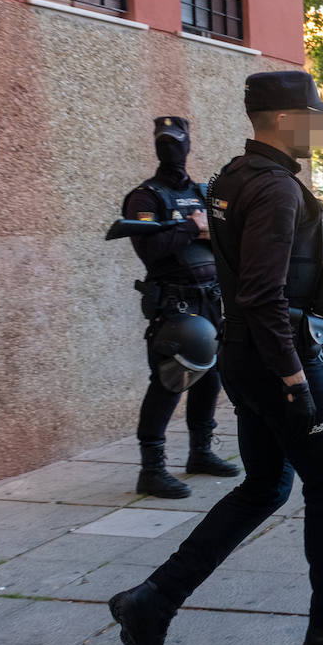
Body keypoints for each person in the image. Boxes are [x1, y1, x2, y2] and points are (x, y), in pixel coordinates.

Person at [108, 71, 323, 645]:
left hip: (244, 354)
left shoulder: (232, 176)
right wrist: (295, 378)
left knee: (265, 486)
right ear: (282, 120)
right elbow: (262, 294)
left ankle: (152, 602)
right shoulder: (275, 188)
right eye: (313, 116)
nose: (321, 128)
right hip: (278, 358)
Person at [123, 117, 240, 498]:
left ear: (188, 145)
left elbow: (227, 240)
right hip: (174, 304)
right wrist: (192, 227)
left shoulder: (203, 192)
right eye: (164, 143)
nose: (171, 149)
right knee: (169, 382)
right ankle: (151, 469)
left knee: (210, 377)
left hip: (211, 299)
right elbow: (152, 251)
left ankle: (200, 452)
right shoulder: (145, 198)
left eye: (176, 142)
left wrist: (198, 229)